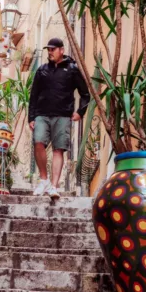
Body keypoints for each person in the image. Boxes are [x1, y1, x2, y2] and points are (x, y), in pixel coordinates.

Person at [28, 37, 90, 198]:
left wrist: (80, 112)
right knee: (38, 142)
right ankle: (43, 180)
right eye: (48, 49)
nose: (50, 52)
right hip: (42, 114)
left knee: (58, 150)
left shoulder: (72, 69)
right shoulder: (42, 70)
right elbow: (33, 95)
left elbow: (85, 94)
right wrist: (31, 117)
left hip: (63, 115)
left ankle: (54, 187)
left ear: (61, 50)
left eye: (53, 49)